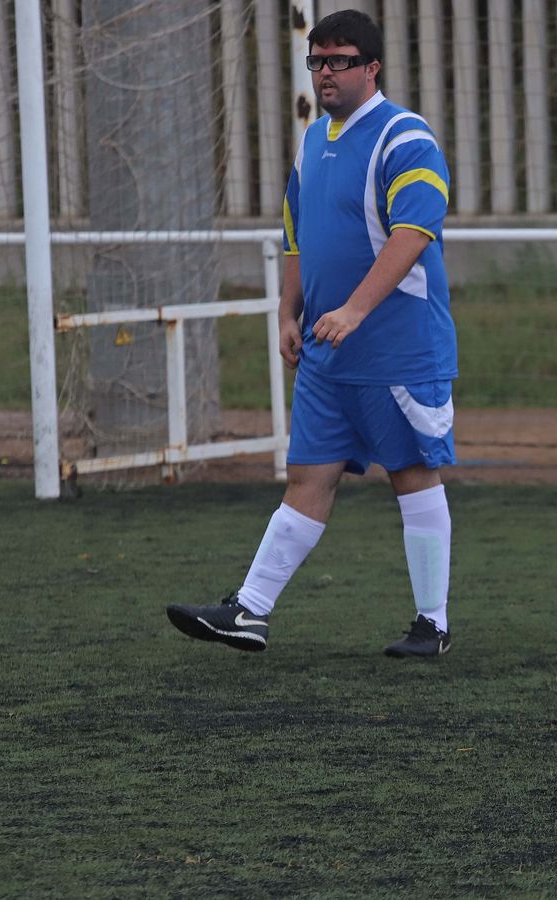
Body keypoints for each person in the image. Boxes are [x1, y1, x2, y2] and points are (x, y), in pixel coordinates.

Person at [166, 9, 457, 658]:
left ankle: (431, 625)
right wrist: (287, 309)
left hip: (398, 351)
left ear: (372, 66)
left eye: (341, 60)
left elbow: (414, 234)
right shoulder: (313, 140)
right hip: (328, 352)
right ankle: (248, 612)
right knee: (307, 476)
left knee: (411, 473)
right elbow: (297, 230)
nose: (326, 72)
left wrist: (354, 309)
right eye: (317, 62)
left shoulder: (406, 139)